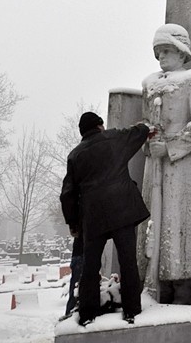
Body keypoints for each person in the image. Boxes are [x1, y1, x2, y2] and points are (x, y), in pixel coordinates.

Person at [141, 23, 191, 304]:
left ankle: (185, 286)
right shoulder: (149, 84)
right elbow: (145, 123)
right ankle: (157, 283)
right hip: (156, 164)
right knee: (155, 223)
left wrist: (170, 147)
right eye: (158, 51)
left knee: (183, 221)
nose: (161, 57)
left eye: (167, 50)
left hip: (182, 165)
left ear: (182, 51)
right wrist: (149, 143)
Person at [60, 111, 154, 326]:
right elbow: (137, 131)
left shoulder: (75, 155)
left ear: (82, 133)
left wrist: (73, 223)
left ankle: (87, 313)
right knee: (128, 262)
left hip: (93, 217)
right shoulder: (114, 138)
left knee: (90, 268)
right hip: (122, 210)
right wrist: (146, 128)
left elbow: (67, 194)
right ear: (100, 126)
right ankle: (132, 310)